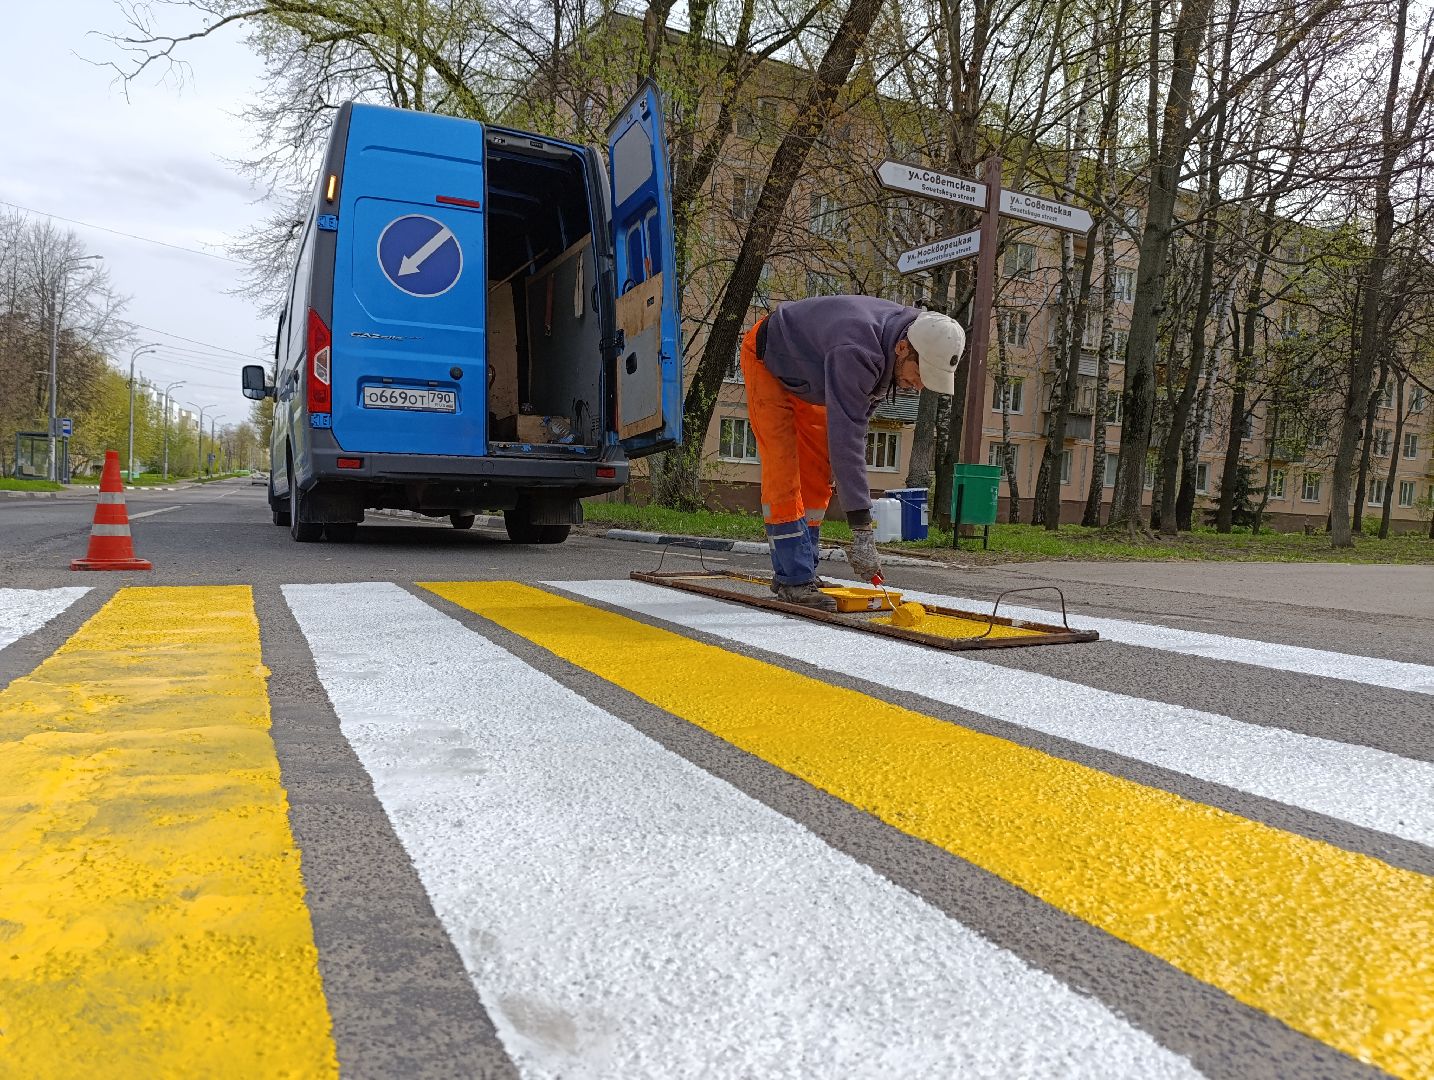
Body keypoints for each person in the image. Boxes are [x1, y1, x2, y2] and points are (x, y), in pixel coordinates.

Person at [739, 296, 966, 610]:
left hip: (813, 375)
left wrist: (842, 468)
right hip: (769, 360)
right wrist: (862, 530)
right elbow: (848, 436)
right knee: (783, 469)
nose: (919, 386)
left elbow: (857, 419)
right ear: (903, 348)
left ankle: (804, 570)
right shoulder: (857, 350)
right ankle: (793, 579)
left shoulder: (918, 333)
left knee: (818, 473)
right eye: (920, 374)